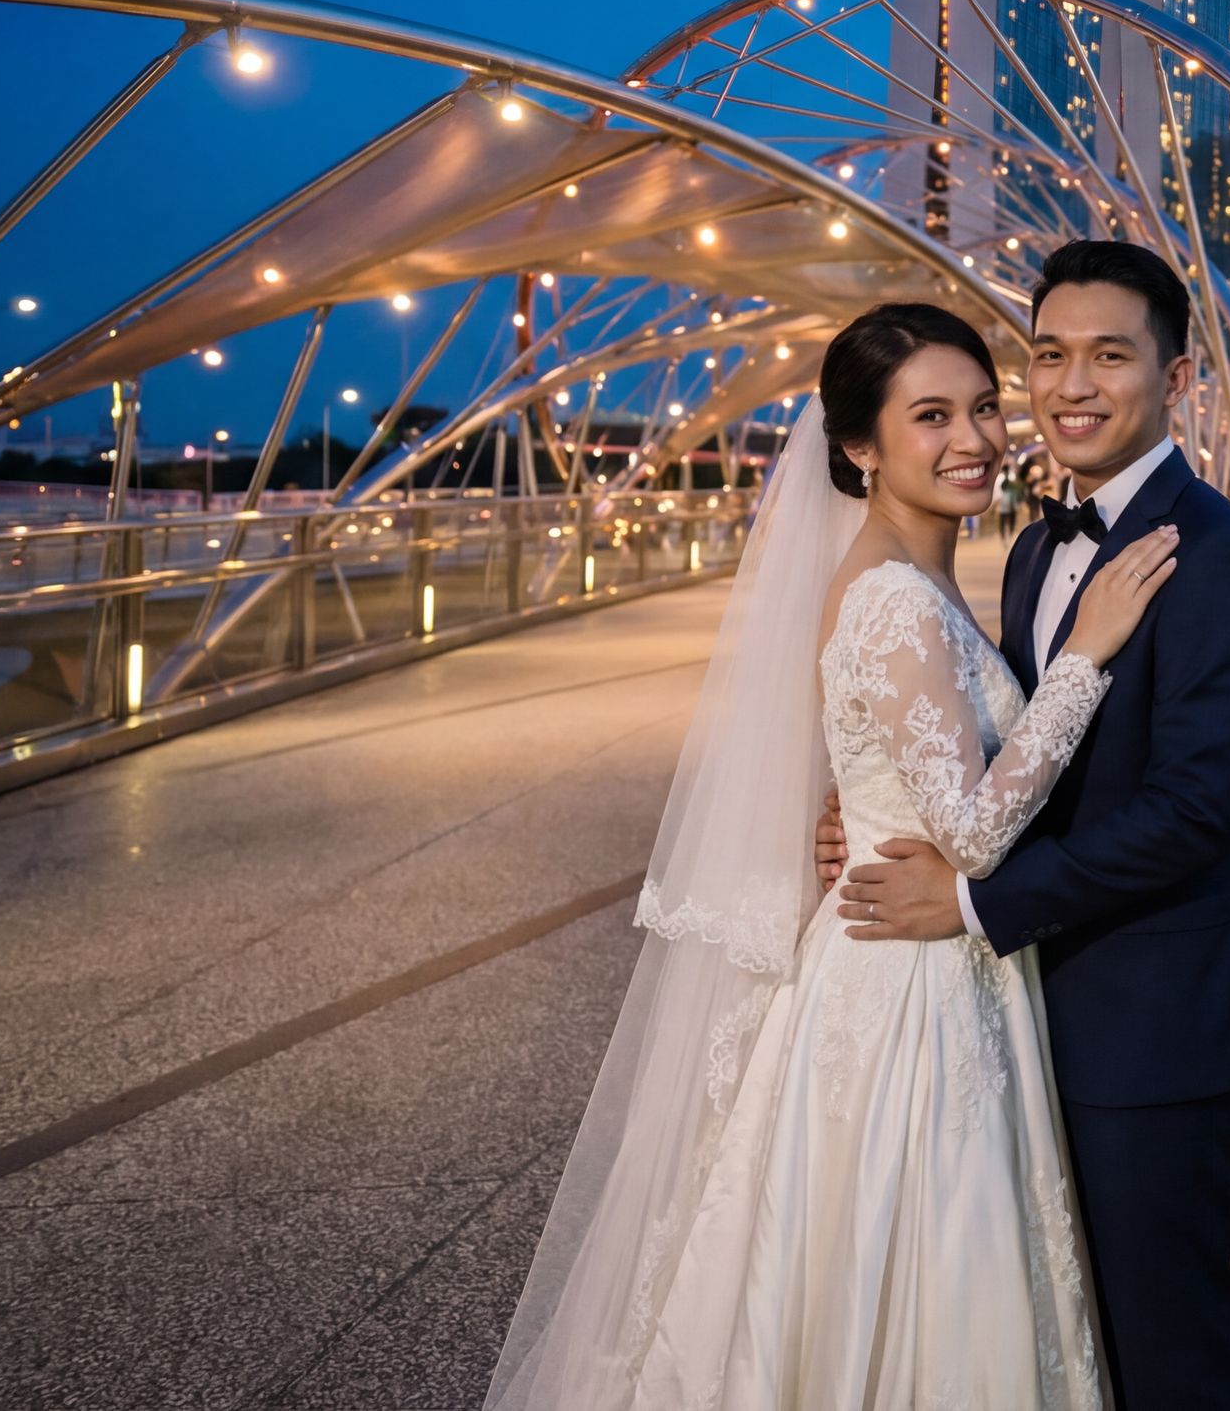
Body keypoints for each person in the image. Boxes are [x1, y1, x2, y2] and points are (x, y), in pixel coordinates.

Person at [485, 300, 1177, 1409]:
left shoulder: (921, 581)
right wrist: (1084, 658)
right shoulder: (895, 600)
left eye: (986, 409)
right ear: (859, 449)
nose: (977, 441)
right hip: (908, 989)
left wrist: (851, 812)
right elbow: (974, 829)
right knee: (915, 1260)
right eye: (933, 417)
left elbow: (911, 771)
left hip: (918, 957)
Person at [821, 239, 1230, 1409]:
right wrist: (879, 804)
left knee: (1169, 1348)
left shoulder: (1220, 558)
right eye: (1050, 356)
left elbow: (1192, 813)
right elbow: (1006, 762)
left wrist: (973, 896)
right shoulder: (1035, 546)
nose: (1073, 385)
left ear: (1174, 379)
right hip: (1019, 1011)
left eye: (1110, 357)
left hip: (1148, 1024)